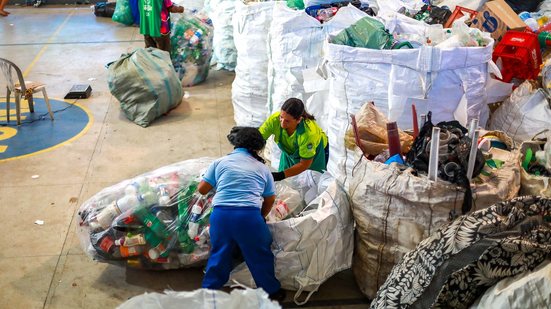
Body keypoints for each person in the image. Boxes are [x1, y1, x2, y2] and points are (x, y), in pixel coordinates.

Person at [197, 126, 286, 302]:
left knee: (219, 253)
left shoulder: (219, 162)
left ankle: (209, 291)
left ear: (236, 144)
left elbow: (202, 189)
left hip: (221, 216)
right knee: (259, 253)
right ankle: (272, 291)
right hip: (248, 217)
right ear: (257, 148)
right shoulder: (263, 169)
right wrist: (260, 217)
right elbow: (269, 199)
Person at [259, 98, 329, 181]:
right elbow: (258, 138)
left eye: (287, 121)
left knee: (311, 184)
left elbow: (304, 164)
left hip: (314, 156)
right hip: (290, 153)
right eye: (281, 117)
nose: (282, 123)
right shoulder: (274, 120)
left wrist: (280, 175)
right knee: (285, 184)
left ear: (299, 120)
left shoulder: (308, 133)